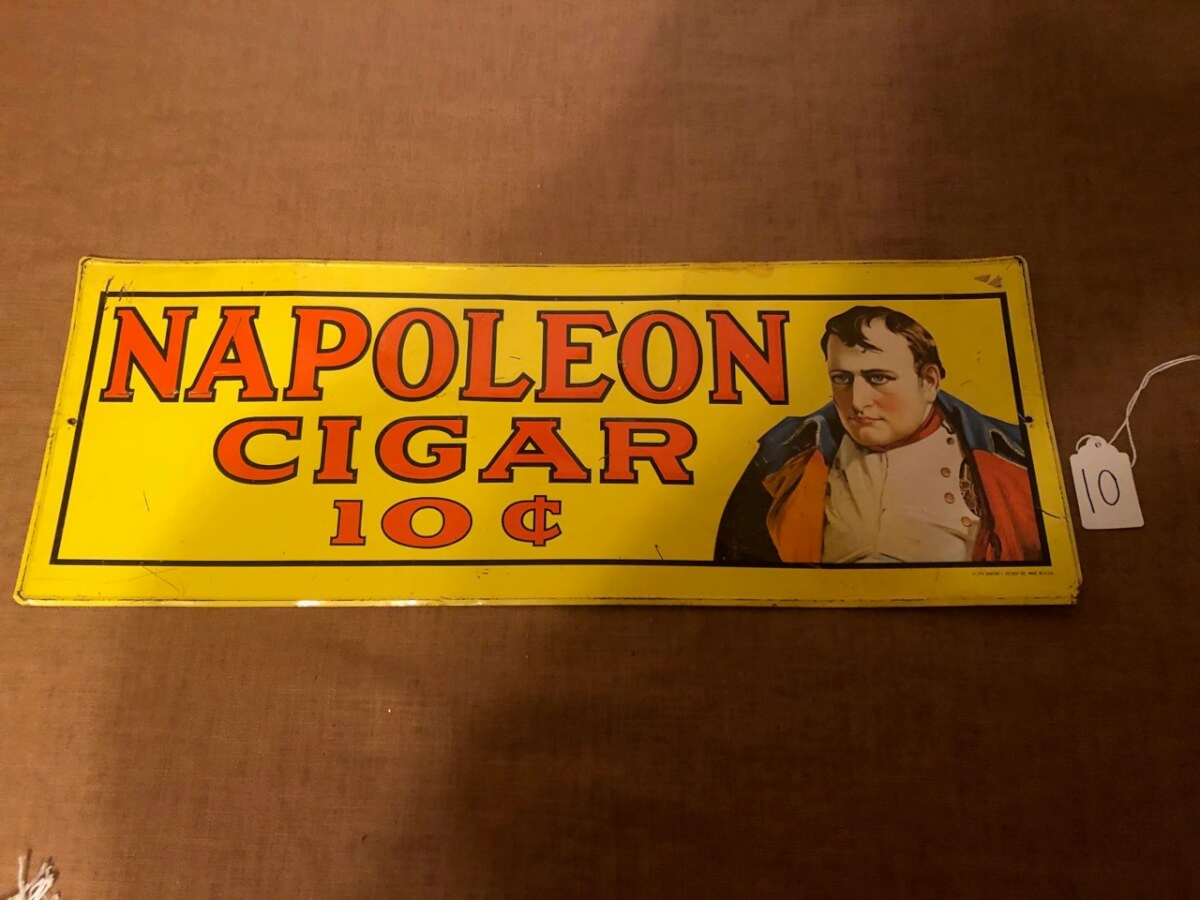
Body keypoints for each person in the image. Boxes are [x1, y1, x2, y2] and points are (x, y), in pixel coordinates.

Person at [714, 305, 1043, 564]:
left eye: (878, 378)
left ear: (929, 382)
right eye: (842, 379)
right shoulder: (784, 456)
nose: (857, 402)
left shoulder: (1013, 457)